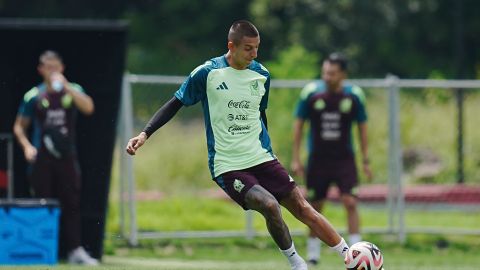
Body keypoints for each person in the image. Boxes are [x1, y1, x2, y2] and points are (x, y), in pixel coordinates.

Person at [126, 20, 349, 270]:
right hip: (228, 165)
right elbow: (175, 103)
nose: (254, 54)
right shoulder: (208, 73)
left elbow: (260, 116)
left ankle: (351, 257)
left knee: (302, 207)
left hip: (262, 157)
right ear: (231, 46)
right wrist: (145, 134)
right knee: (270, 205)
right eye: (248, 48)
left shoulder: (261, 75)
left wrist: (268, 151)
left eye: (257, 48)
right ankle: (298, 264)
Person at [13, 50, 98, 265]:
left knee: (71, 204)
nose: (52, 72)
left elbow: (89, 108)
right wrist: (26, 147)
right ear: (40, 70)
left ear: (62, 68)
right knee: (43, 203)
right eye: (48, 68)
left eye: (56, 67)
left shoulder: (73, 90)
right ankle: (42, 250)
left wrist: (66, 85)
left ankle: (74, 251)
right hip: (42, 158)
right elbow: (19, 127)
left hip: (67, 156)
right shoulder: (34, 95)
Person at [291, 53, 372, 265]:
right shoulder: (311, 93)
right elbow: (299, 124)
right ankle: (313, 253)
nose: (327, 77)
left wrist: (365, 159)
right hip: (318, 159)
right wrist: (296, 158)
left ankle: (357, 252)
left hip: (344, 159)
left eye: (332, 73)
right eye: (325, 72)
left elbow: (362, 128)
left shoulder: (354, 96)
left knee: (350, 202)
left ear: (343, 75)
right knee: (315, 205)